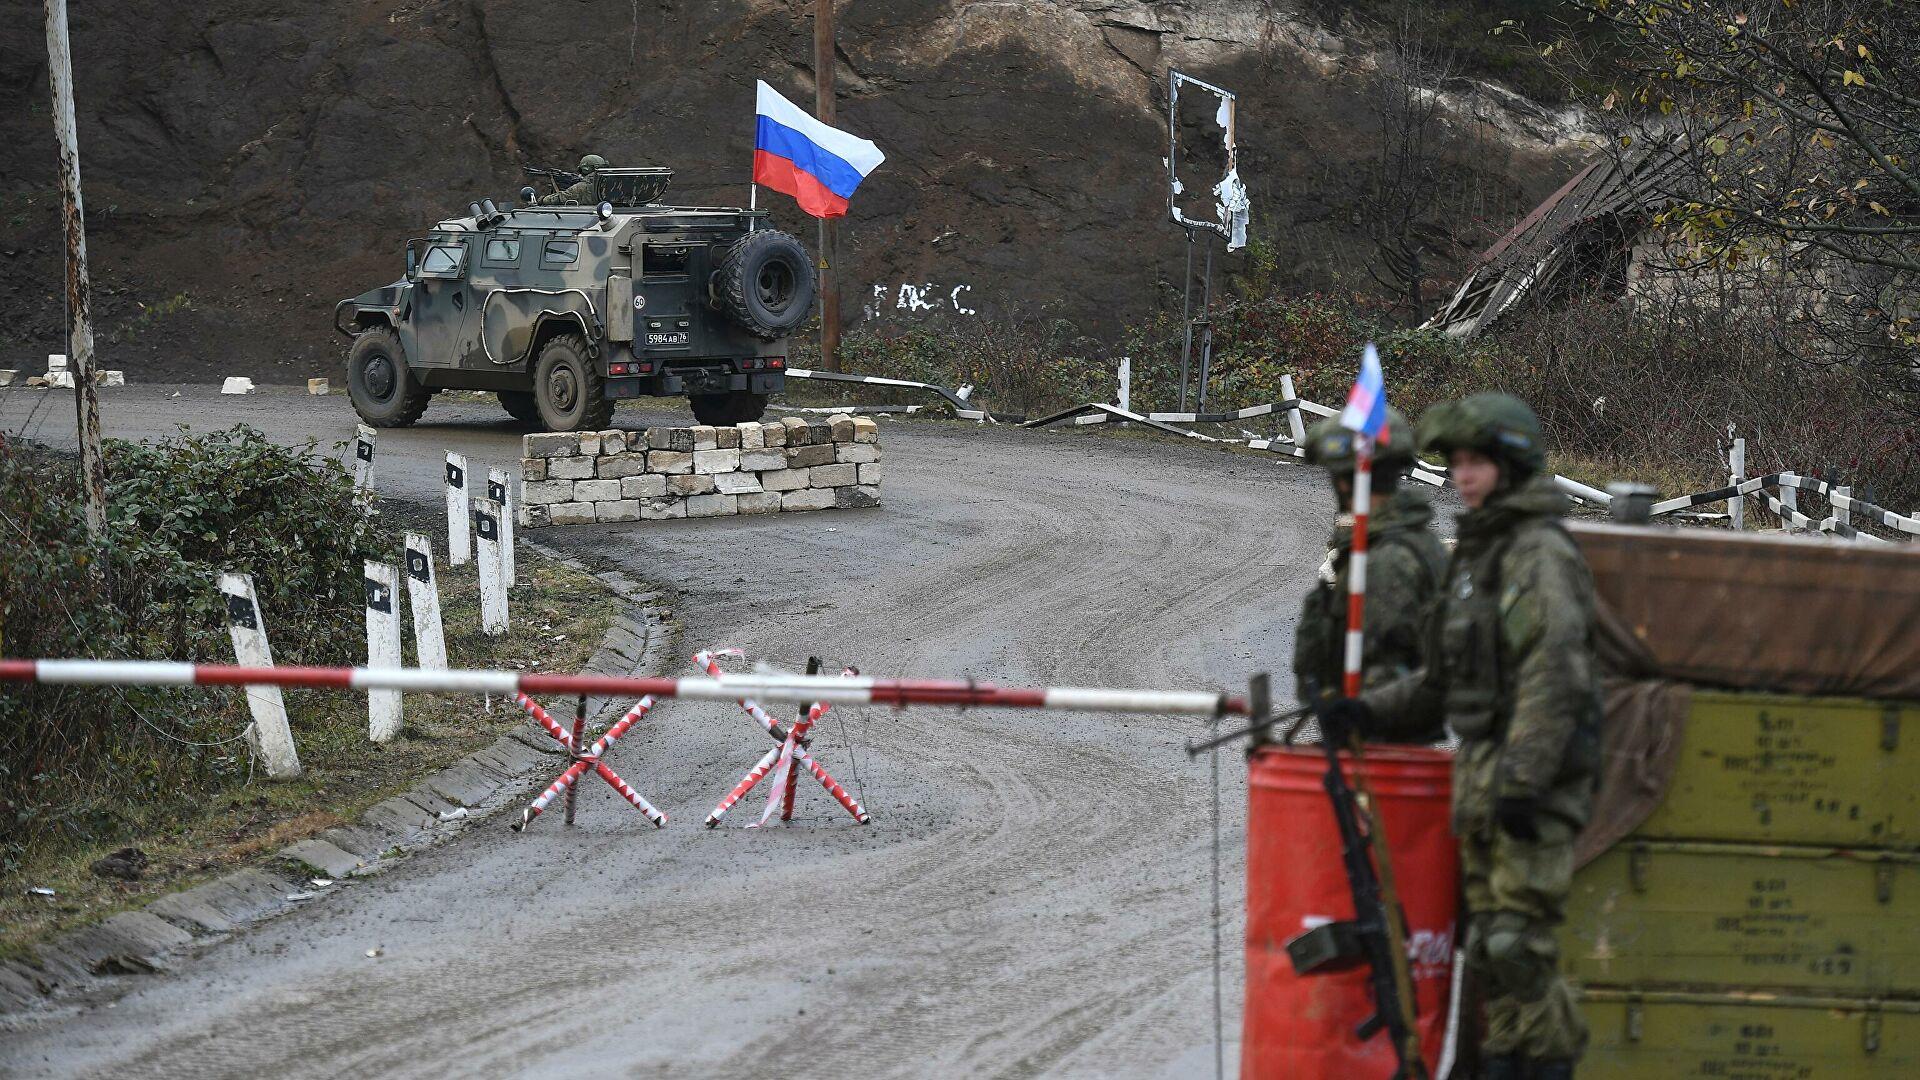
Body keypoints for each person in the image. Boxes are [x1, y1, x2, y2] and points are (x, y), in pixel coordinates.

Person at [1324, 393, 1601, 1080]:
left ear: (1511, 468)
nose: (1462, 476)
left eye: (1477, 463)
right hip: (1482, 774)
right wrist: (1364, 711)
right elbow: (1440, 678)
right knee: (1490, 953)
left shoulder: (1539, 554)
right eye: (1457, 464)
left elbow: (1556, 671)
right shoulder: (1478, 556)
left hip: (1528, 782)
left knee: (1517, 946)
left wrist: (1525, 779)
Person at [1288, 409, 1447, 739]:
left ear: (1345, 481)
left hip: (1378, 750)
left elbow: (1382, 669)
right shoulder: (1419, 542)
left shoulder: (1383, 561)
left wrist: (1356, 715)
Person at [537, 154, 608, 206]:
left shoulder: (581, 187)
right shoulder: (612, 183)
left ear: (584, 169)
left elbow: (562, 198)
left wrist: (543, 199)